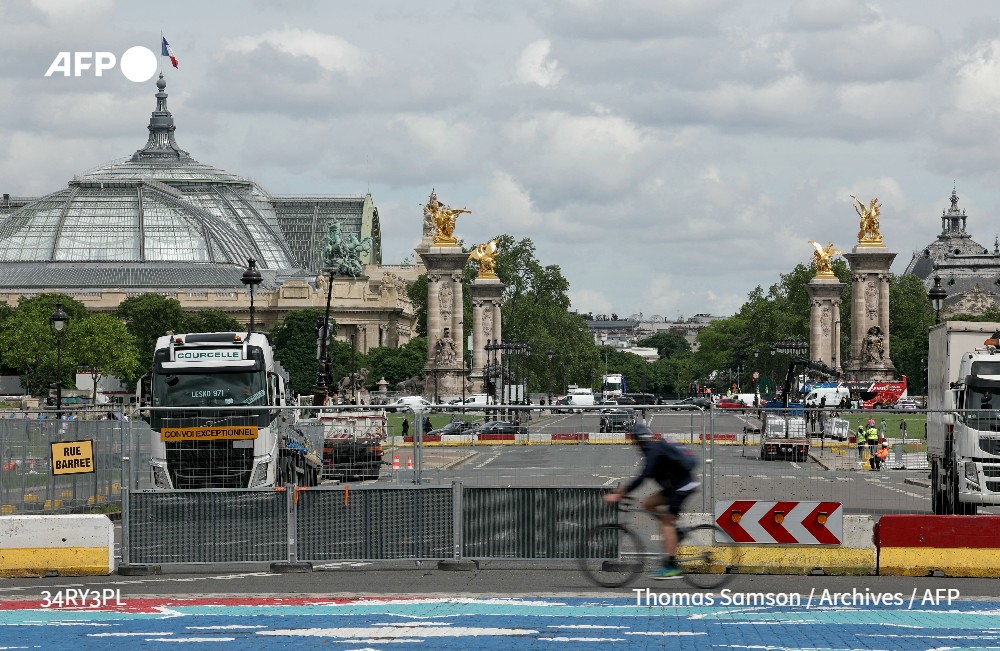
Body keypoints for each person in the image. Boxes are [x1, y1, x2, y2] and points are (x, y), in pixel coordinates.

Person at [604, 423, 699, 580]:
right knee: (648, 504)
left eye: (633, 440)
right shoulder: (653, 449)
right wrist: (624, 492)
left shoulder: (653, 451)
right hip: (674, 485)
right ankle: (677, 532)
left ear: (636, 440)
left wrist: (620, 494)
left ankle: (671, 567)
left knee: (666, 522)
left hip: (683, 486)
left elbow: (643, 476)